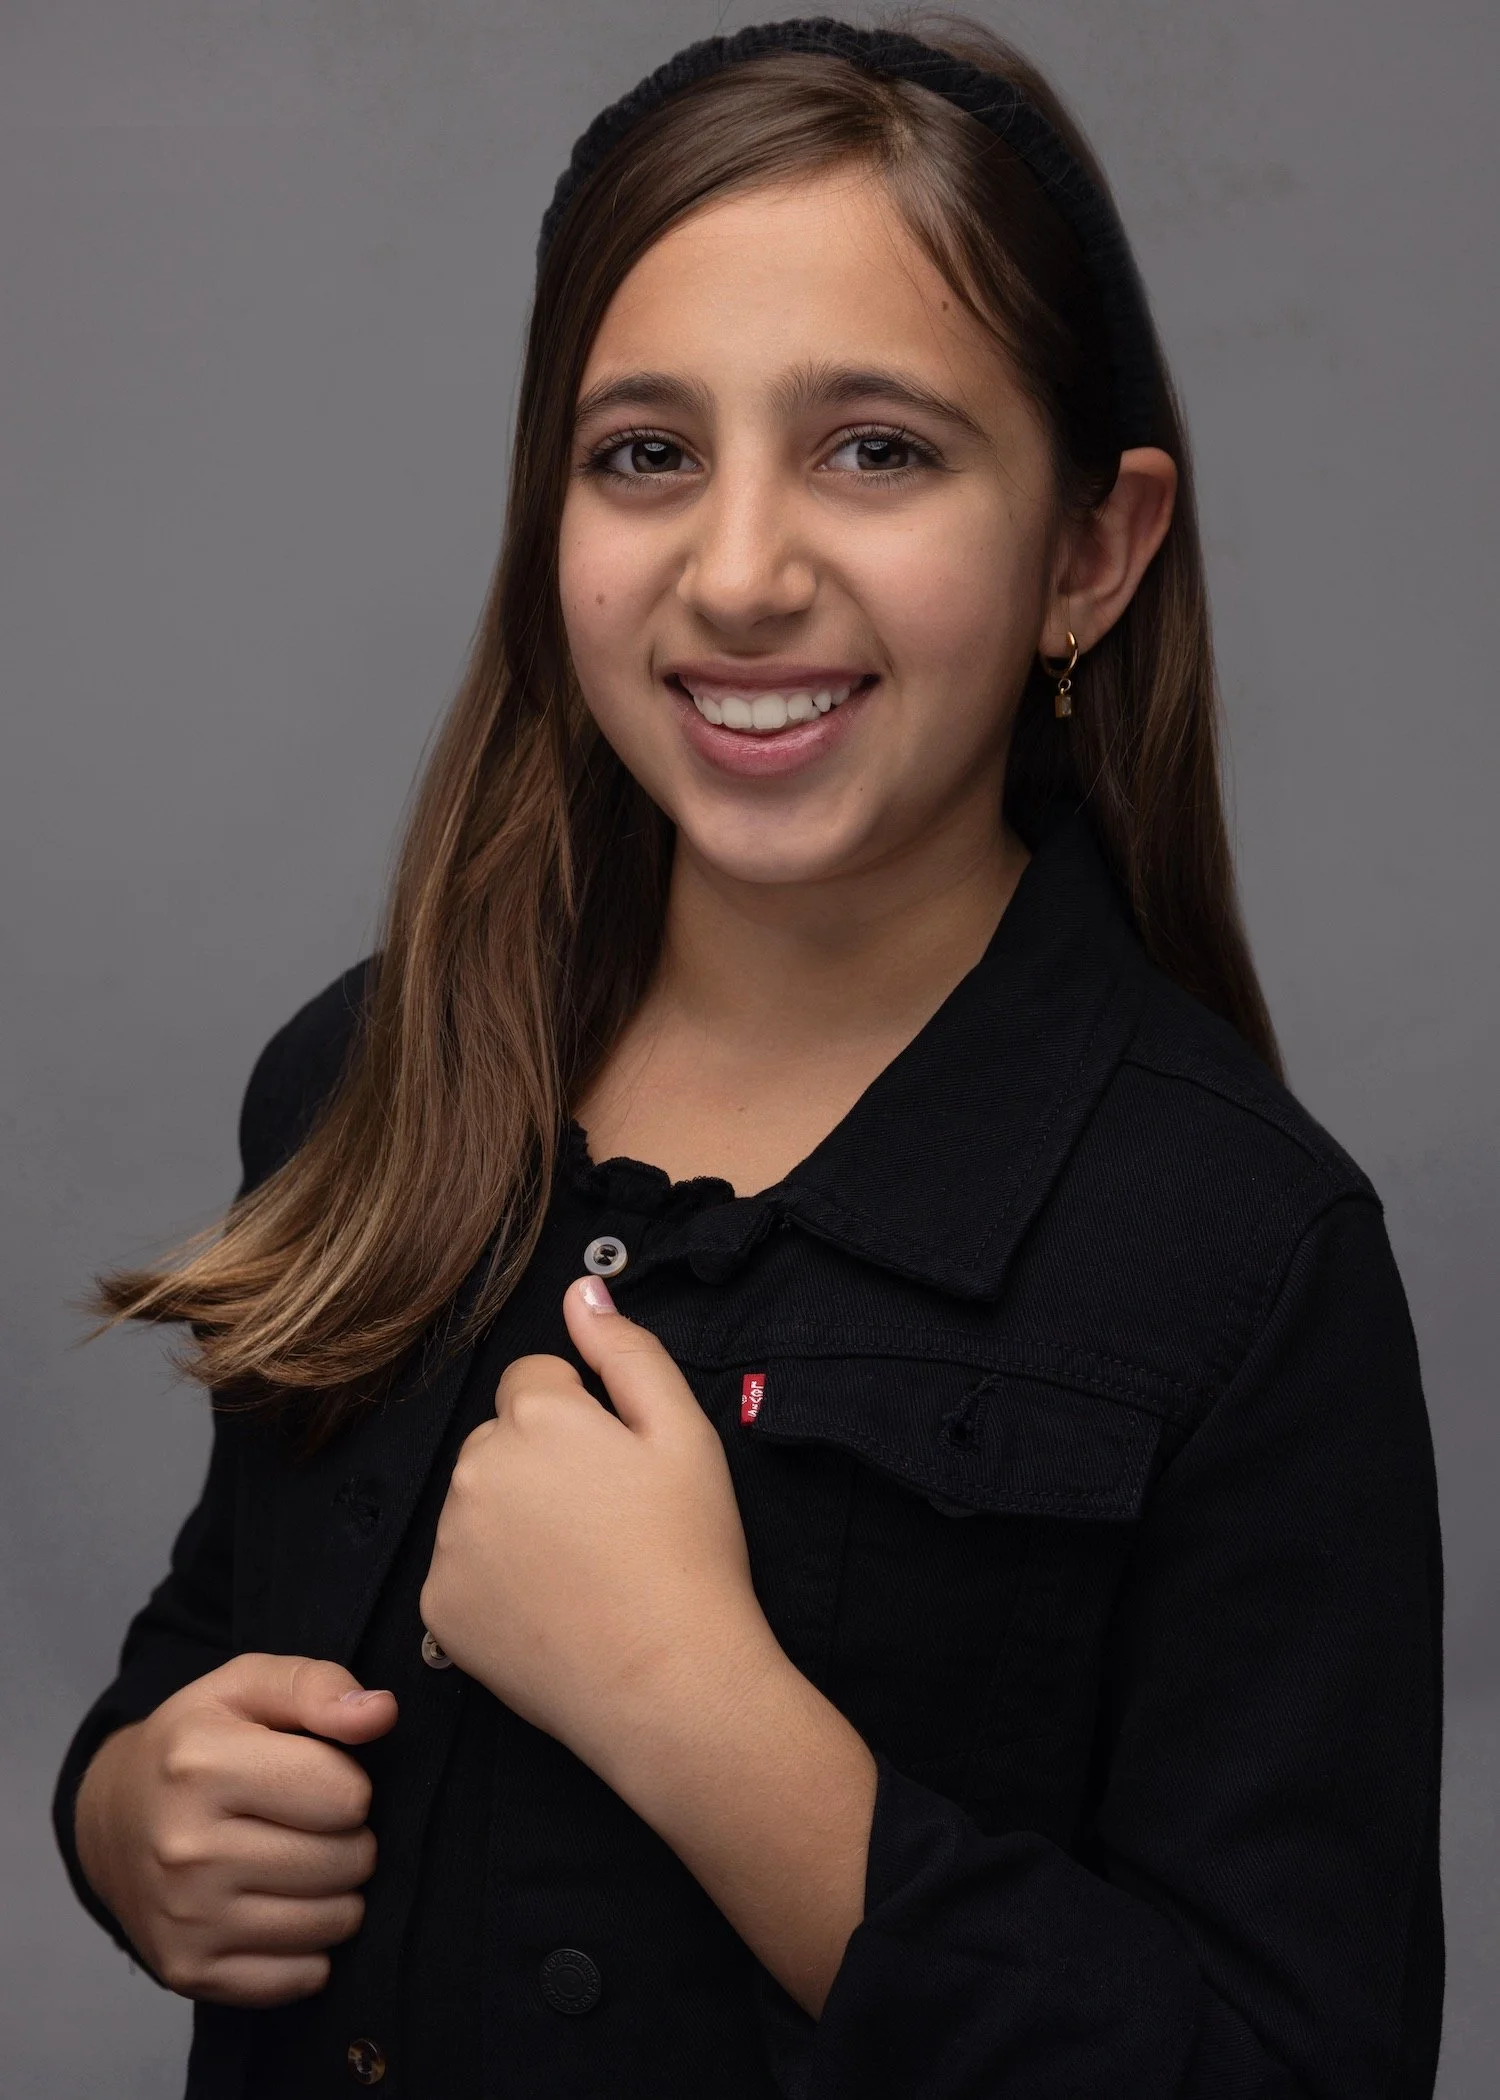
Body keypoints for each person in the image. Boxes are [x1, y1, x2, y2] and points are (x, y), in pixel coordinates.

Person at [53, 18, 1444, 2099]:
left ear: (1092, 551)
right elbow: (207, 1641)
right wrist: (133, 1807)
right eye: (647, 454)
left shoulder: (1242, 1258)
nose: (738, 573)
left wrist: (706, 1723)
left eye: (875, 447)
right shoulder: (371, 1078)